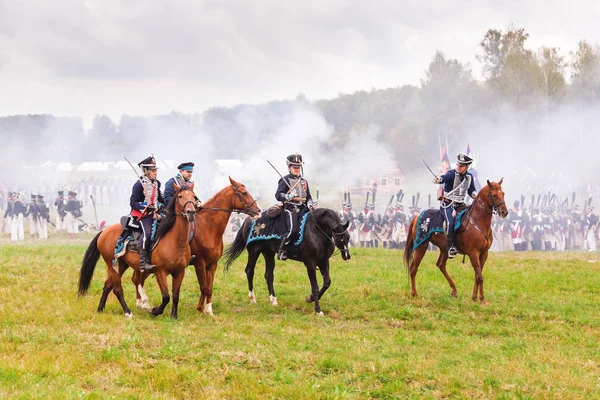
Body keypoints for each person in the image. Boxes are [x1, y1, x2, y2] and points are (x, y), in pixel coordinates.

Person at [432, 153, 477, 258]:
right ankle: (451, 247)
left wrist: (475, 195)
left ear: (467, 167)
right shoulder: (452, 173)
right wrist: (439, 179)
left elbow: (471, 190)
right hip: (448, 204)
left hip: (461, 204)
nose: (458, 167)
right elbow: (444, 178)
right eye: (458, 165)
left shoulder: (469, 177)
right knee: (450, 223)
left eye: (461, 166)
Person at [275, 153, 317, 260]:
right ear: (289, 168)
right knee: (292, 230)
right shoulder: (284, 180)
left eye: (298, 167)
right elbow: (278, 195)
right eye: (295, 167)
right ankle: (281, 251)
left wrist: (310, 203)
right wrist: (288, 196)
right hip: (290, 207)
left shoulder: (304, 181)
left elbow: (309, 197)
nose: (297, 169)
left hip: (303, 207)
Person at [130, 155, 165, 271]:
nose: (155, 173)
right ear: (146, 171)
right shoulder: (138, 184)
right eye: (153, 171)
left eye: (155, 170)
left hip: (155, 213)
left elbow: (160, 198)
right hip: (142, 215)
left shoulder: (157, 183)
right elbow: (133, 202)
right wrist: (144, 207)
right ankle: (143, 263)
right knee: (147, 234)